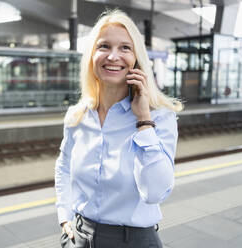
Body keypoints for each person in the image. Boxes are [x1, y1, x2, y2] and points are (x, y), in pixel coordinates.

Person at [55, 9, 183, 248]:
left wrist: (144, 120)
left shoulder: (160, 117)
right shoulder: (78, 116)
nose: (113, 56)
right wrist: (65, 217)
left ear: (137, 58)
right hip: (80, 238)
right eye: (104, 46)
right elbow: (64, 166)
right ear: (92, 55)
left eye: (125, 48)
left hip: (133, 241)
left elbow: (155, 192)